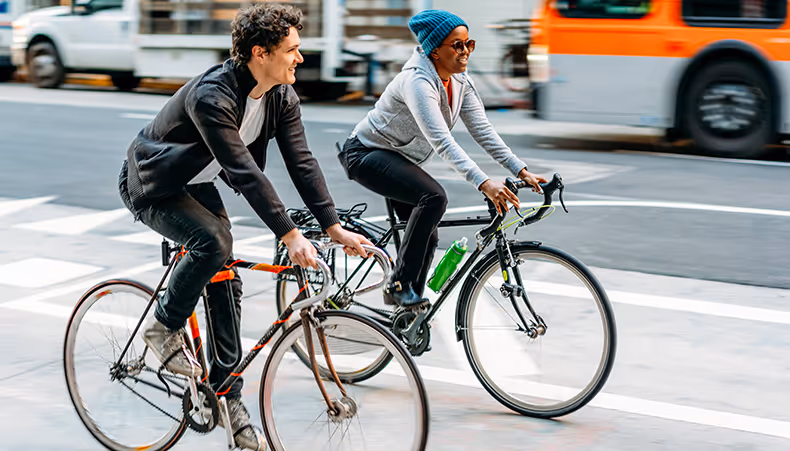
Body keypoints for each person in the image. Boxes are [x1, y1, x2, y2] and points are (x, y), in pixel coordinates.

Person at [117, 4, 371, 450]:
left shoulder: (281, 97)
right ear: (260, 52)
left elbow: (302, 163)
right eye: (292, 50)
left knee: (225, 280)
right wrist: (290, 235)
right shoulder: (213, 95)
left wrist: (333, 228)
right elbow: (246, 171)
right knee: (211, 243)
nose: (300, 58)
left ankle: (226, 397)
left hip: (197, 184)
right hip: (154, 184)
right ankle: (163, 326)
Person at [338, 9, 547, 308]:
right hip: (366, 154)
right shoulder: (417, 83)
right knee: (434, 197)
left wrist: (520, 169)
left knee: (429, 237)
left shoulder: (460, 82)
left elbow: (483, 131)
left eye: (468, 44)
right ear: (434, 50)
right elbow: (442, 141)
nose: (465, 53)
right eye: (457, 45)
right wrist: (484, 182)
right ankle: (398, 286)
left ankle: (408, 312)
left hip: (401, 159)